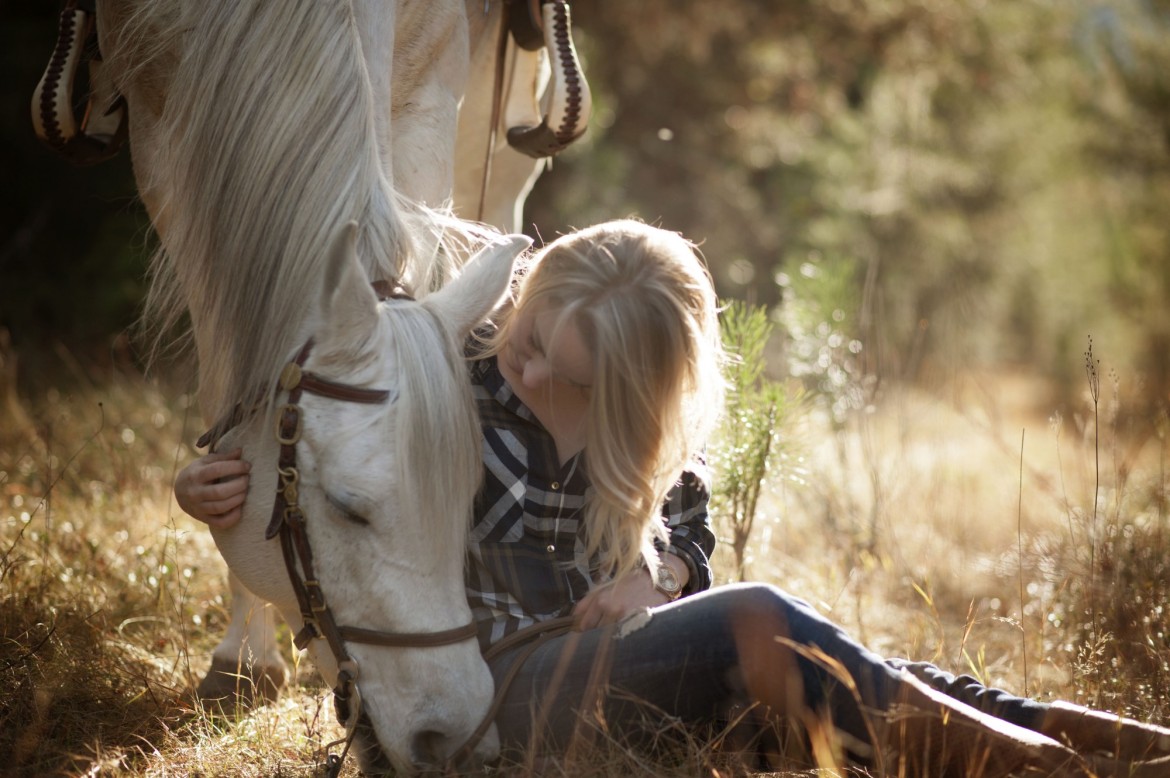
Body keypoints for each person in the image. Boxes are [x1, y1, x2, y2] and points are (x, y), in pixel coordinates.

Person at [176, 220, 1170, 775]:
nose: (518, 367)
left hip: (588, 666)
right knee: (765, 625)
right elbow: (336, 476)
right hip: (469, 685)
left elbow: (684, 517)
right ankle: (1046, 776)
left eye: (553, 371)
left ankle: (1115, 747)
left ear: (620, 394)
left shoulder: (626, 441)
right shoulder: (447, 375)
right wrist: (222, 486)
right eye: (525, 334)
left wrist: (660, 570)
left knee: (874, 669)